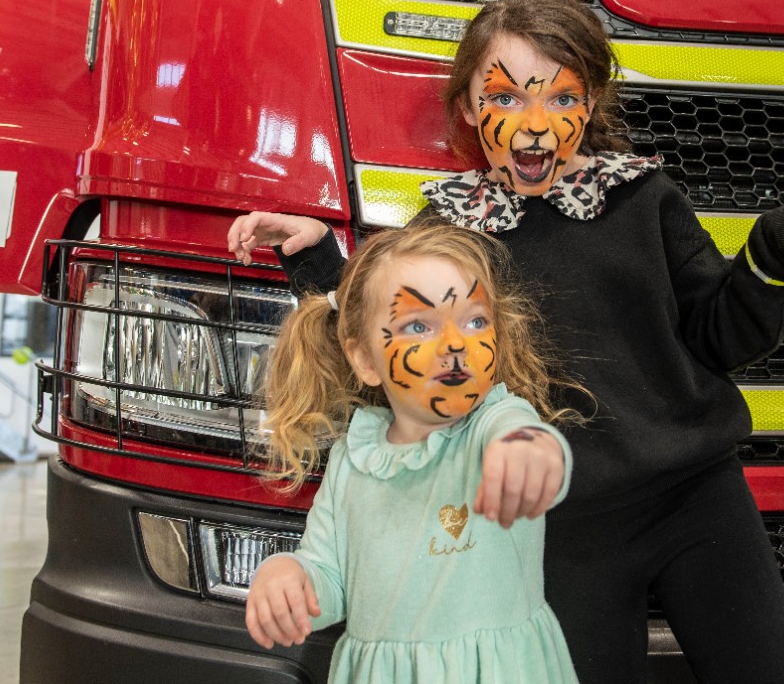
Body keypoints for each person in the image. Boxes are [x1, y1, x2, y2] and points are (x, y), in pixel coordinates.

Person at [230, 0, 784, 684]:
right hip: (561, 534)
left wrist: (775, 247)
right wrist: (319, 258)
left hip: (697, 499)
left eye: (560, 97)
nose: (534, 124)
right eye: (505, 97)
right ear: (471, 109)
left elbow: (721, 334)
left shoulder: (645, 198)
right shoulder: (450, 230)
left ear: (589, 104)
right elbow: (384, 329)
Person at [244, 219, 582, 684]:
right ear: (364, 359)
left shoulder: (496, 421)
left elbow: (532, 444)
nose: (455, 345)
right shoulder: (353, 460)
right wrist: (288, 577)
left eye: (475, 321)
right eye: (419, 325)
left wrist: (529, 456)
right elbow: (329, 575)